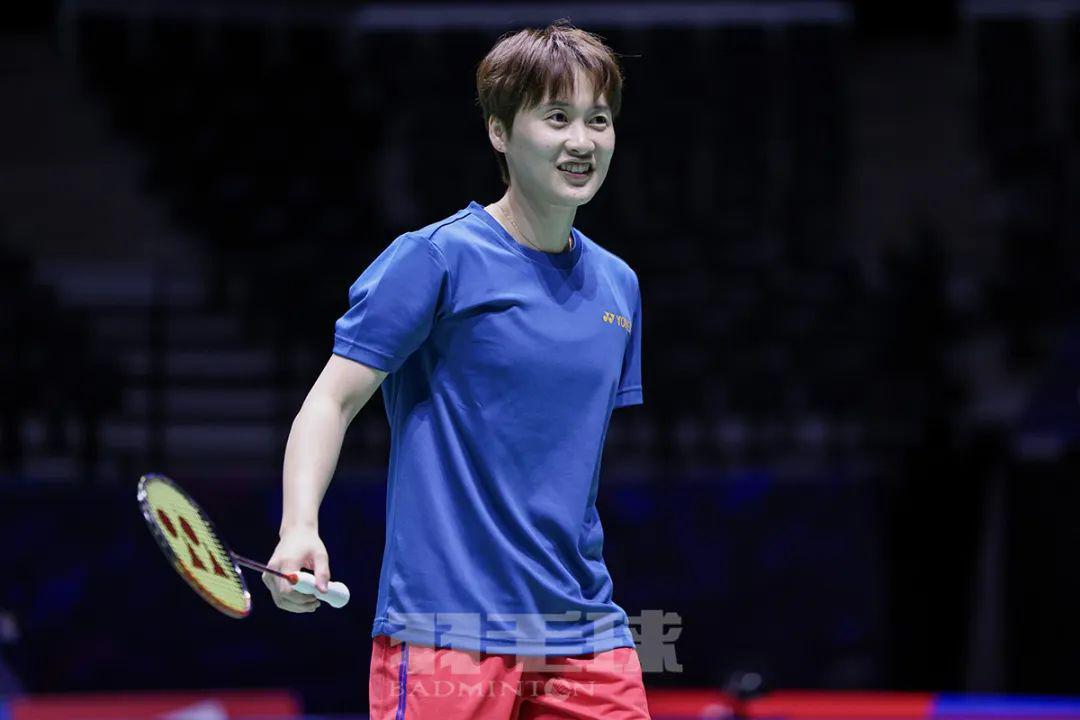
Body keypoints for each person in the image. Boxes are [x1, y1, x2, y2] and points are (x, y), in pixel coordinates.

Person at [263, 20, 649, 719]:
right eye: (556, 117)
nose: (582, 141)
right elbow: (330, 401)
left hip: (585, 631)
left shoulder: (617, 287)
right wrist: (299, 527)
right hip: (447, 630)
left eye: (598, 119)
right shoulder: (437, 258)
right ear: (500, 132)